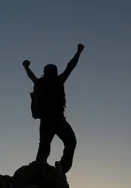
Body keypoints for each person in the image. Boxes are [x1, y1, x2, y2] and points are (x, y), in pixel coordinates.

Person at [22, 43, 85, 175]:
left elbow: (31, 76)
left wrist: (26, 67)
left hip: (46, 120)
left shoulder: (40, 82)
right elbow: (70, 66)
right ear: (55, 72)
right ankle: (61, 168)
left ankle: (40, 168)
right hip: (57, 119)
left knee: (44, 145)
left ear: (45, 73)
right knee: (70, 142)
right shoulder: (58, 80)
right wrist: (78, 52)